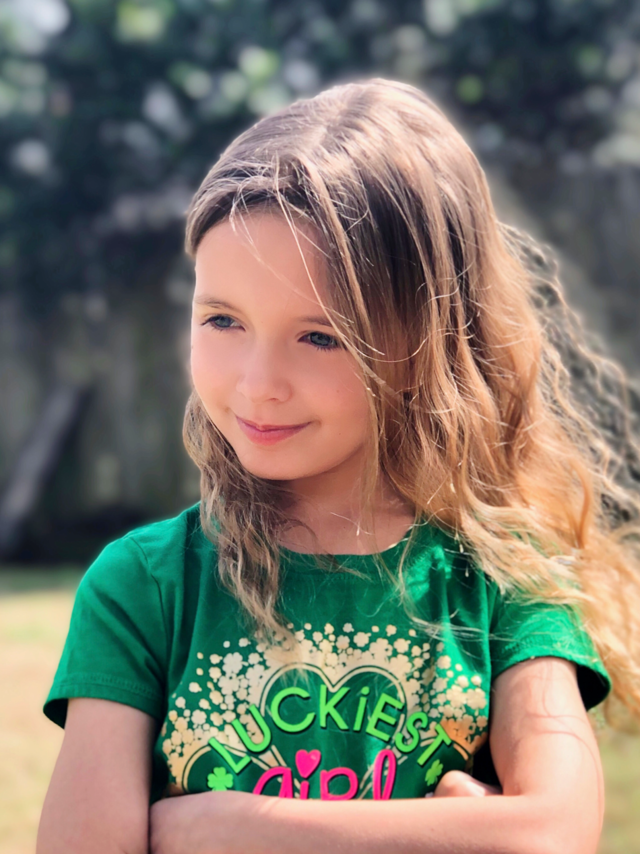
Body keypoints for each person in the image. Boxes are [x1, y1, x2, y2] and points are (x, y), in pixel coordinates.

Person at [37, 78, 640, 854]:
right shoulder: (144, 587)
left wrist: (225, 829)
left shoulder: (506, 584)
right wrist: (453, 832)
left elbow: (550, 835)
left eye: (320, 337)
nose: (258, 383)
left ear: (424, 345)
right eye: (222, 320)